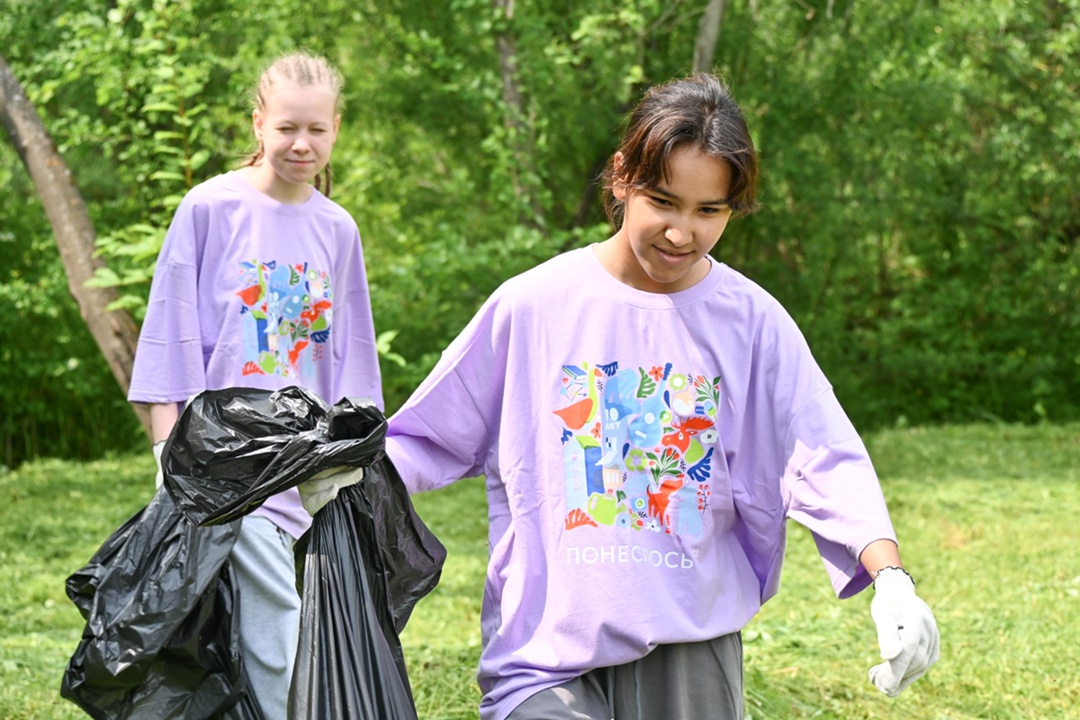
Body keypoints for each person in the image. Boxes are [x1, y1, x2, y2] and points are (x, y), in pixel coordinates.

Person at [382, 73, 939, 720]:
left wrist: (890, 578)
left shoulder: (751, 322)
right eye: (664, 202)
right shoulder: (533, 305)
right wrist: (329, 480)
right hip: (543, 654)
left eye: (709, 212)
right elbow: (424, 438)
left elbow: (823, 453)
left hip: (690, 643)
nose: (681, 233)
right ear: (622, 177)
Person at [128, 51, 382, 718]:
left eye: (317, 129)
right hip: (220, 459)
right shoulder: (212, 207)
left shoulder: (337, 228)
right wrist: (168, 458)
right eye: (287, 127)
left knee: (236, 626)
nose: (302, 144)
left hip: (302, 462)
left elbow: (351, 350)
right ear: (258, 123)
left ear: (336, 129)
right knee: (275, 621)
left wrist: (351, 456)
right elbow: (171, 330)